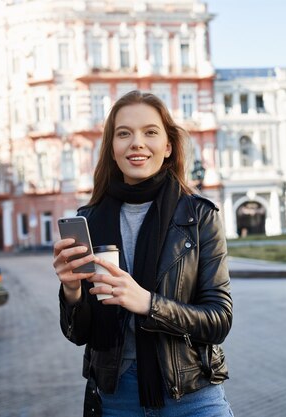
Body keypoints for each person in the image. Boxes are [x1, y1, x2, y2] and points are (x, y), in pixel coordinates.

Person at [53, 90, 234, 417]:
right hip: (116, 396)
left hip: (192, 394)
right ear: (112, 148)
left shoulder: (199, 216)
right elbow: (77, 334)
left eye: (150, 132)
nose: (137, 142)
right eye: (124, 134)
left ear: (167, 146)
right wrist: (71, 290)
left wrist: (149, 304)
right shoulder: (90, 221)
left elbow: (219, 320)